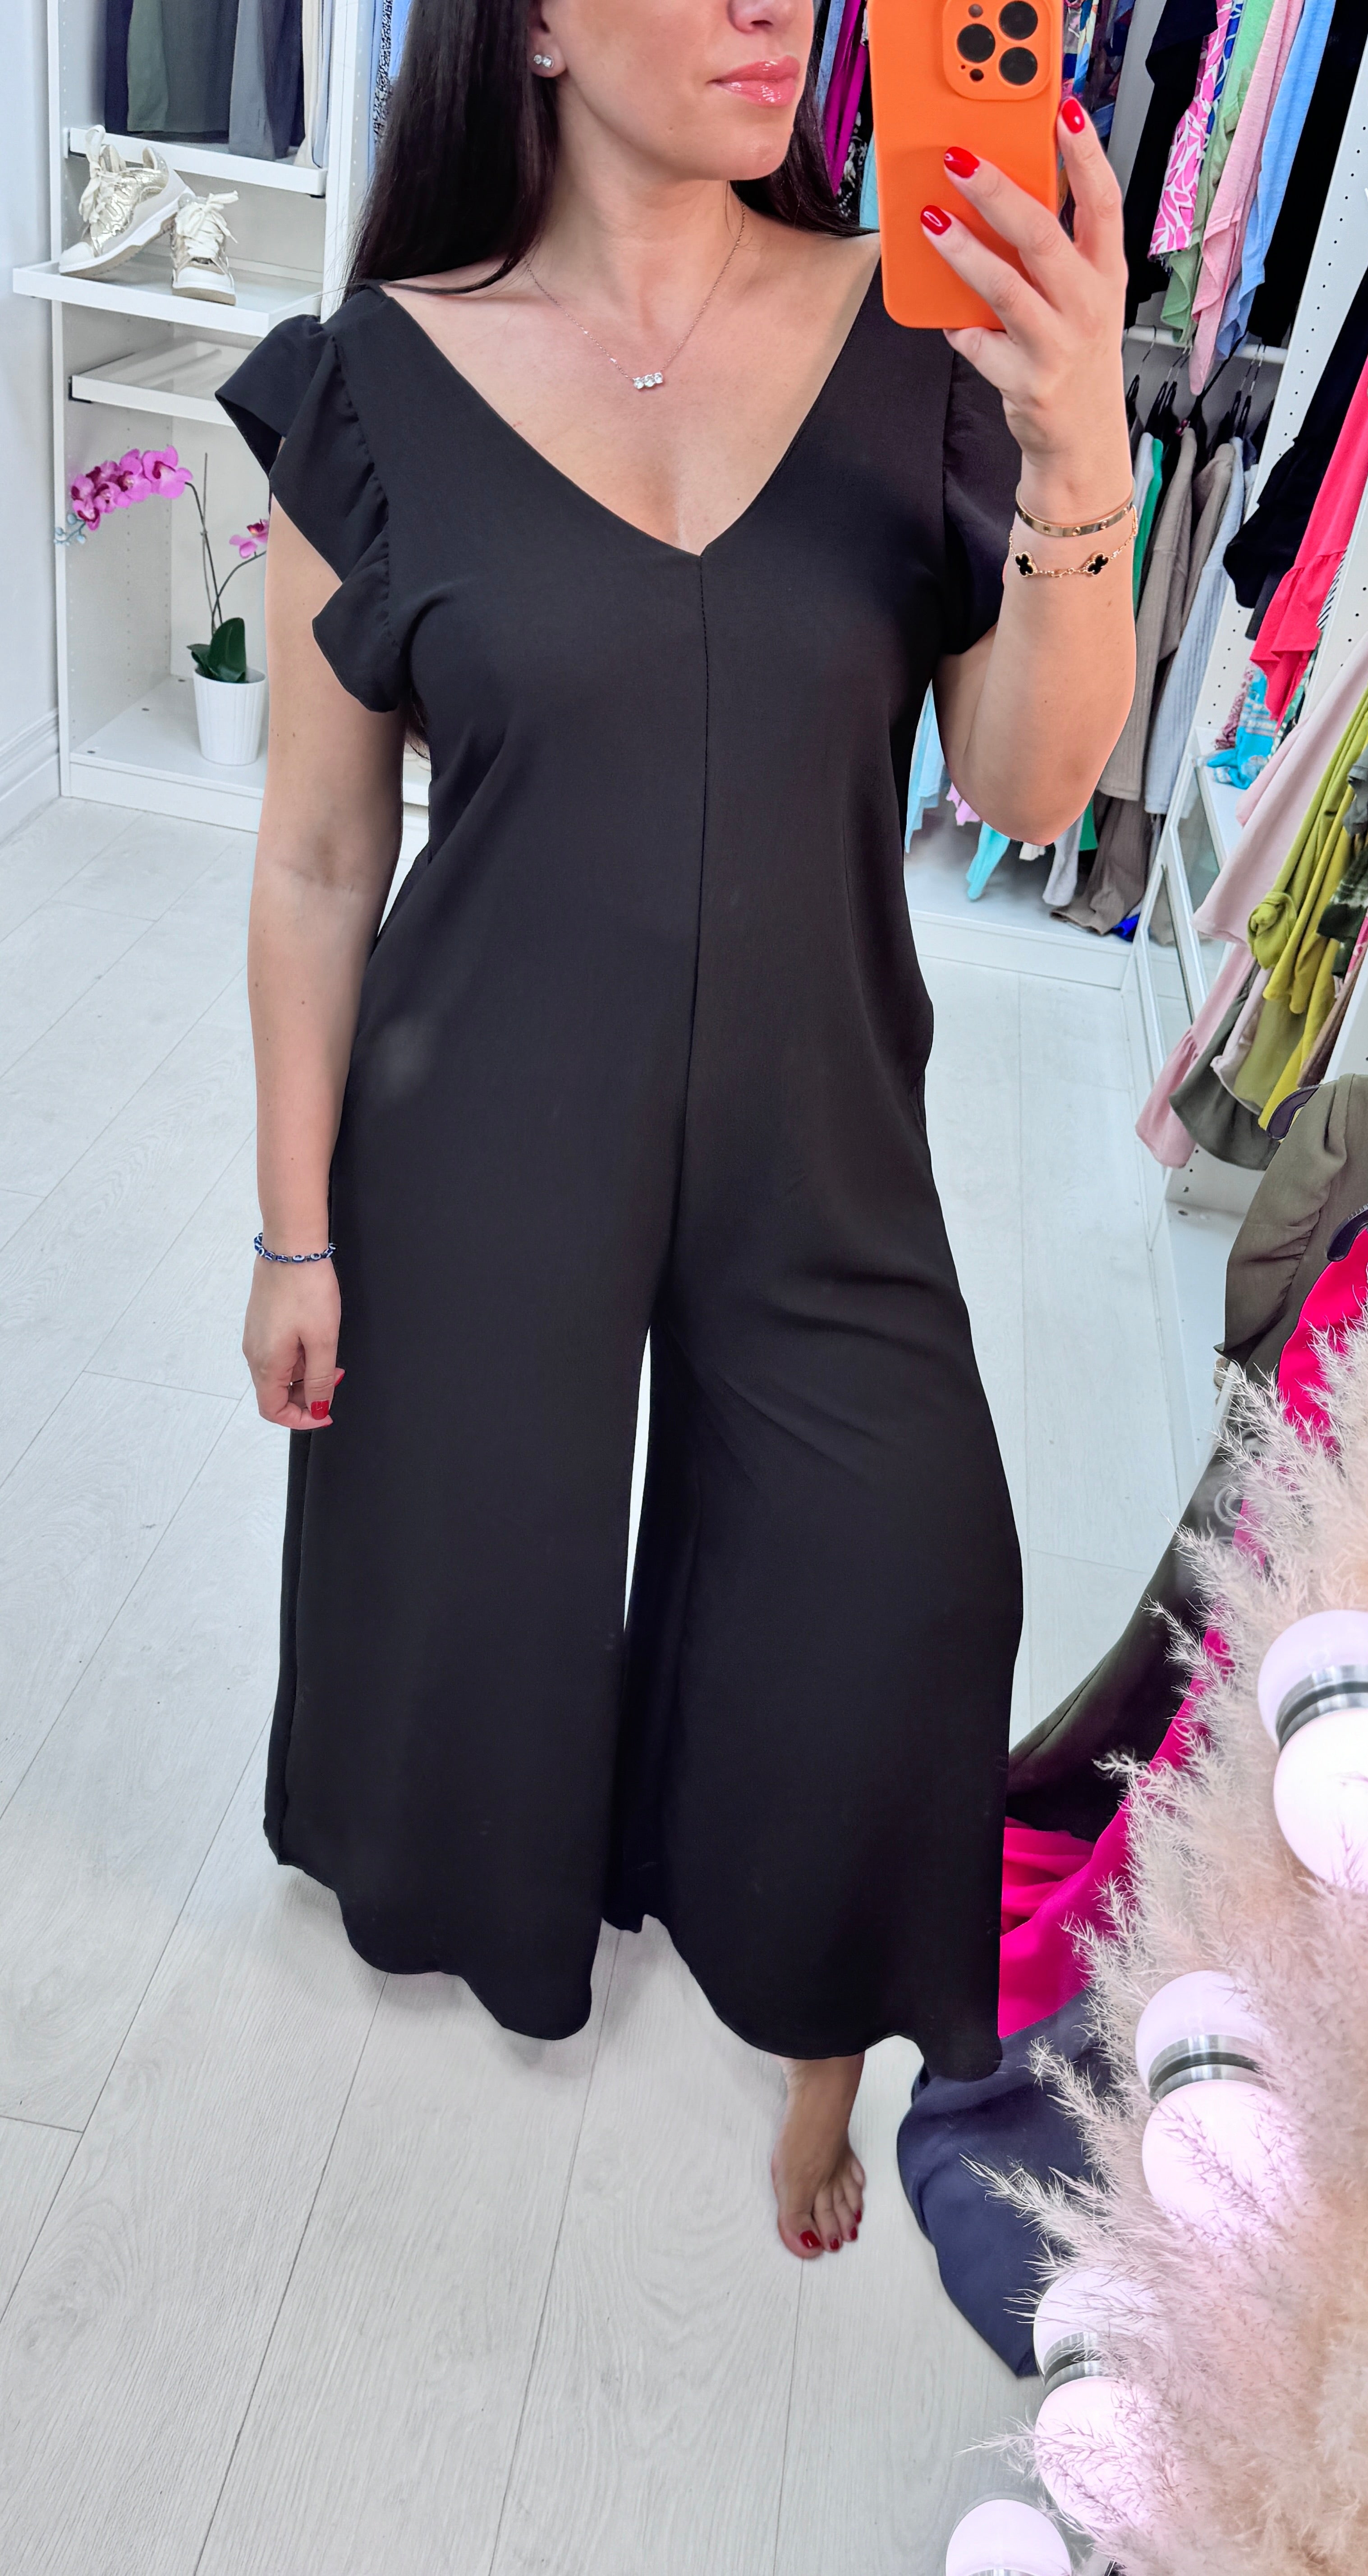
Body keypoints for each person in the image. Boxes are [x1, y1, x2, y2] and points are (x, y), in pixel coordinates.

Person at [220, 0, 1134, 2264]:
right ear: (534, 22)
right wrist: (294, 1232)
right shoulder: (378, 382)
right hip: (481, 1122)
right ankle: (481, 1914)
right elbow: (320, 858)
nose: (768, 9)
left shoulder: (915, 340)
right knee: (464, 1601)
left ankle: (821, 2062)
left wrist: (1079, 446)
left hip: (824, 1134)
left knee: (904, 1590)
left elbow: (1027, 786)